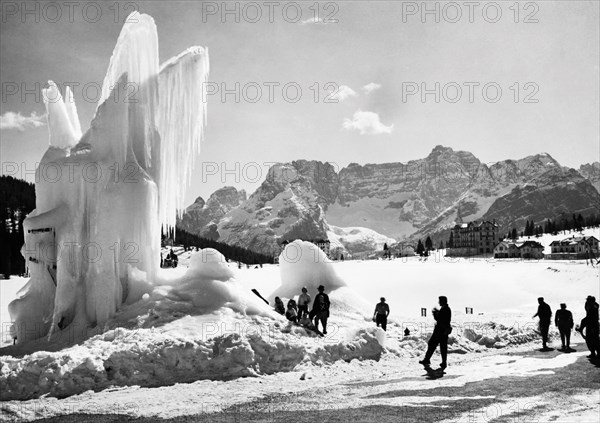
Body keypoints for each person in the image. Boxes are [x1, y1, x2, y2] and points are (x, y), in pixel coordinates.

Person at [419, 296, 452, 369]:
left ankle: (427, 359)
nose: (438, 302)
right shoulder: (446, 309)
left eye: (439, 301)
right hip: (443, 331)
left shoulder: (444, 309)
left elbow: (439, 319)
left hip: (440, 331)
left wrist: (435, 314)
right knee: (442, 347)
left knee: (432, 344)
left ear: (443, 301)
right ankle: (443, 362)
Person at [584, 295, 600, 360]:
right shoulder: (588, 305)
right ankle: (593, 352)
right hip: (589, 324)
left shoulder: (594, 305)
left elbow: (593, 315)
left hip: (594, 324)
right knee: (589, 339)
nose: (587, 302)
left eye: (588, 300)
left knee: (595, 339)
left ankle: (597, 353)